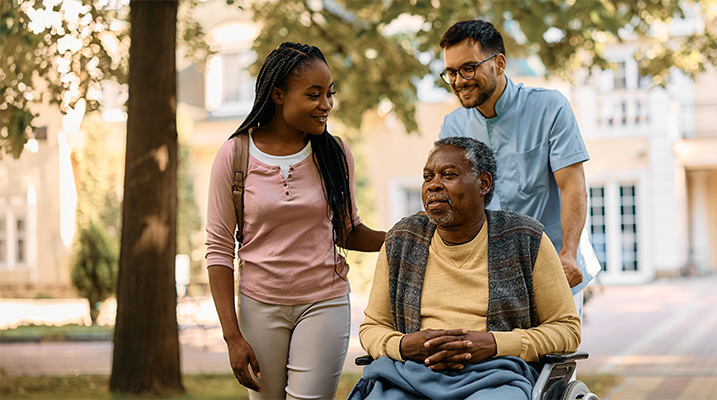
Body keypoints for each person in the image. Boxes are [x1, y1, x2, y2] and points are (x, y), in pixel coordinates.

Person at [205, 42, 385, 400]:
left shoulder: (334, 154)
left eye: (329, 94)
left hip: (324, 302)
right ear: (277, 95)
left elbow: (348, 231)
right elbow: (218, 250)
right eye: (314, 95)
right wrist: (232, 337)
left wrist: (401, 235)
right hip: (260, 305)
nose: (326, 105)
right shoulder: (235, 155)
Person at [349, 137, 580, 400]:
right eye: (427, 177)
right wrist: (402, 345)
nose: (433, 184)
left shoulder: (525, 238)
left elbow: (567, 329)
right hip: (410, 375)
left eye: (448, 175)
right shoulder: (402, 241)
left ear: (483, 184)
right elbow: (372, 327)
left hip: (497, 376)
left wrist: (495, 344)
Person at [437, 20, 599, 319]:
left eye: (469, 68)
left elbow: (572, 185)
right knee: (501, 363)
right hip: (492, 280)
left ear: (499, 63)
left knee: (555, 362)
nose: (459, 80)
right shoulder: (453, 125)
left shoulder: (550, 107)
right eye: (451, 72)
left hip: (555, 270)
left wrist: (569, 254)